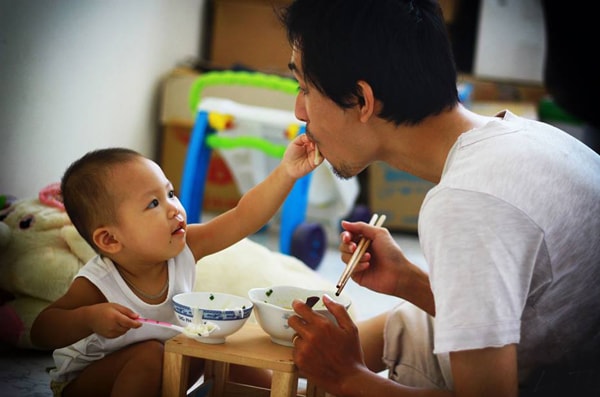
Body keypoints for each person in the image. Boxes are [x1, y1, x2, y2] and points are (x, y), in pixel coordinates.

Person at [281, 0, 600, 396]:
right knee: (412, 324)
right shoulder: (522, 138)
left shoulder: (466, 203)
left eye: (305, 88)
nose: (299, 111)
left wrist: (349, 379)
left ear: (361, 100)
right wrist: (407, 280)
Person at [30, 135, 320, 397]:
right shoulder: (99, 282)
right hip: (89, 383)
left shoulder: (184, 247)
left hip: (166, 365)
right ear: (110, 239)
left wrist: (286, 173)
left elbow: (243, 217)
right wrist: (90, 318)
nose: (174, 208)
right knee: (149, 355)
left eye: (170, 193)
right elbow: (41, 331)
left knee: (217, 345)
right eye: (153, 204)